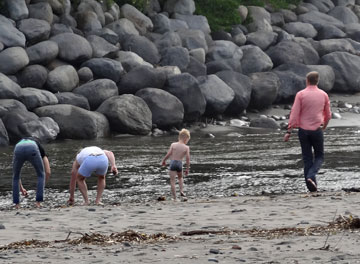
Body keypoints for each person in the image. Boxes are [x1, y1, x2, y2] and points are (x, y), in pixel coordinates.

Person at [284, 71, 331, 192]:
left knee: (307, 158)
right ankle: (311, 176)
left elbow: (294, 113)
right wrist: (324, 125)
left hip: (303, 130)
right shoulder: (323, 94)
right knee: (320, 156)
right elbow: (328, 114)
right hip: (317, 130)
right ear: (317, 81)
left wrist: (289, 131)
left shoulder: (301, 94)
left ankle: (311, 187)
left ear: (307, 81)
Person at [12, 138, 51, 208]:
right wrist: (41, 187)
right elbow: (47, 172)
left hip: (18, 148)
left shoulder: (20, 141)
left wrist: (21, 188)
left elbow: (16, 176)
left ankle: (17, 205)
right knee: (41, 174)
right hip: (32, 148)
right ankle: (38, 203)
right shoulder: (40, 147)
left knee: (15, 176)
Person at [161, 129, 191, 201]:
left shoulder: (173, 144)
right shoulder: (186, 147)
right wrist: (187, 169)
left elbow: (168, 154)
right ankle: (181, 191)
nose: (187, 141)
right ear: (185, 138)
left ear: (179, 137)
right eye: (187, 140)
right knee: (180, 178)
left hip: (173, 162)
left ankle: (175, 198)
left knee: (172, 181)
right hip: (179, 163)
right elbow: (187, 159)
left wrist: (163, 160)